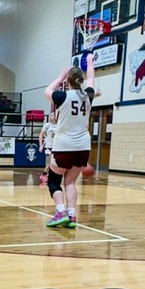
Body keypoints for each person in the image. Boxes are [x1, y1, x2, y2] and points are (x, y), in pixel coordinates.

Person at [43, 57, 95, 228]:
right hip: (83, 146)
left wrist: (60, 77)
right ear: (81, 80)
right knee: (71, 182)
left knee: (53, 181)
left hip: (64, 145)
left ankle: (60, 212)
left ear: (68, 81)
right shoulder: (87, 96)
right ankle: (72, 215)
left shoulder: (62, 96)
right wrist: (90, 62)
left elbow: (47, 90)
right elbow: (92, 80)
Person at [38, 110, 57, 185]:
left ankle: (49, 176)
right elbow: (41, 135)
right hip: (49, 146)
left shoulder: (59, 125)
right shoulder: (47, 125)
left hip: (56, 147)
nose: (50, 117)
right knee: (50, 163)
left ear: (56, 117)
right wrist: (41, 145)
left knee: (54, 163)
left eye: (52, 115)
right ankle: (44, 175)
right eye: (50, 115)